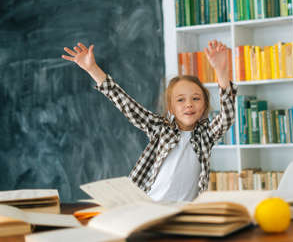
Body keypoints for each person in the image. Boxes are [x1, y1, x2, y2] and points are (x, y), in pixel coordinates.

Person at [61, 40, 236, 202]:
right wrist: (93, 69)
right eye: (180, 100)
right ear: (171, 108)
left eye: (196, 99)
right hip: (149, 205)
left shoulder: (205, 136)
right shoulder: (160, 128)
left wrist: (221, 71)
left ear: (205, 104)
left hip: (185, 211)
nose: (189, 104)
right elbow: (126, 105)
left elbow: (227, 117)